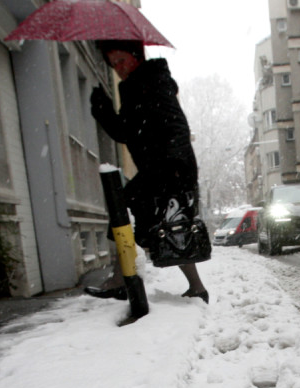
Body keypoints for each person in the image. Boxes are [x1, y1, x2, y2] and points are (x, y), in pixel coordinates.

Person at [86, 39, 208, 304]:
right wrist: (102, 107)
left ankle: (120, 278)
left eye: (121, 60)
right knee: (170, 225)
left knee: (127, 210)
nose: (117, 67)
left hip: (169, 167)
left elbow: (175, 126)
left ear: (135, 56)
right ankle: (196, 287)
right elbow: (126, 131)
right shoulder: (136, 84)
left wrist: (174, 166)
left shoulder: (151, 81)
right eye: (112, 63)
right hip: (163, 167)